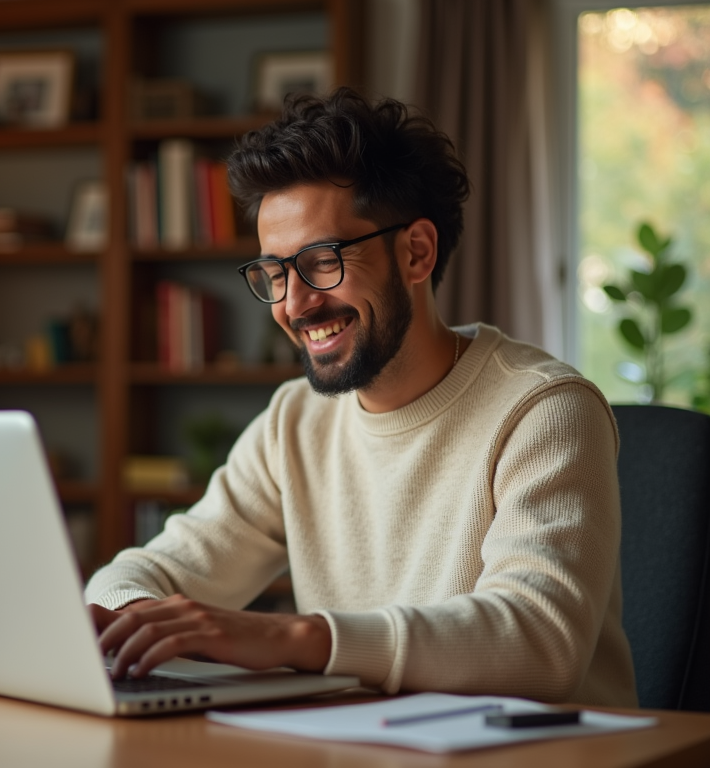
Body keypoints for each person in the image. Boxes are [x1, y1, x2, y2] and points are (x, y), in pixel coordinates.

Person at [85, 88, 637, 707]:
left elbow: (540, 644)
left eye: (322, 261)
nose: (294, 305)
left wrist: (296, 639)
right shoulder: (293, 424)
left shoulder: (545, 410)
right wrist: (127, 620)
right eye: (274, 273)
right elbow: (146, 574)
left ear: (416, 252)